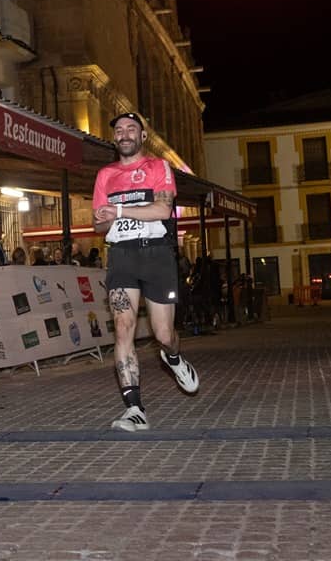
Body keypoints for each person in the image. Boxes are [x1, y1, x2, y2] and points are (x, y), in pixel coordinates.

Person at [92, 111, 198, 432]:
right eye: (119, 130)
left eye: (131, 129)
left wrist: (119, 209)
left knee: (163, 335)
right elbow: (99, 224)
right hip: (121, 255)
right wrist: (104, 219)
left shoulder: (157, 167)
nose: (124, 134)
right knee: (123, 327)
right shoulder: (105, 174)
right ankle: (135, 409)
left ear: (142, 136)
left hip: (156, 254)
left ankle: (173, 357)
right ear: (114, 138)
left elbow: (163, 210)